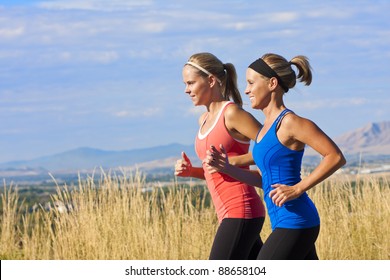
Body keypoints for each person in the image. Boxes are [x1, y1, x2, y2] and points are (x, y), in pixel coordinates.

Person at [204, 53, 346, 260]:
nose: (246, 90)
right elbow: (267, 182)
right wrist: (228, 168)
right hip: (282, 221)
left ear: (272, 83)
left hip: (296, 221)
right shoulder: (264, 131)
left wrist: (298, 188)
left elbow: (335, 156)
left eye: (251, 83)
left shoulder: (290, 122)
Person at [174, 52, 266, 260]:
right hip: (227, 212)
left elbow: (272, 147)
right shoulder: (204, 120)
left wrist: (235, 161)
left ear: (211, 80)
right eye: (185, 84)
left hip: (241, 208)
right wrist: (193, 171)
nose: (186, 90)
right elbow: (217, 171)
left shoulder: (232, 114)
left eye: (191, 83)